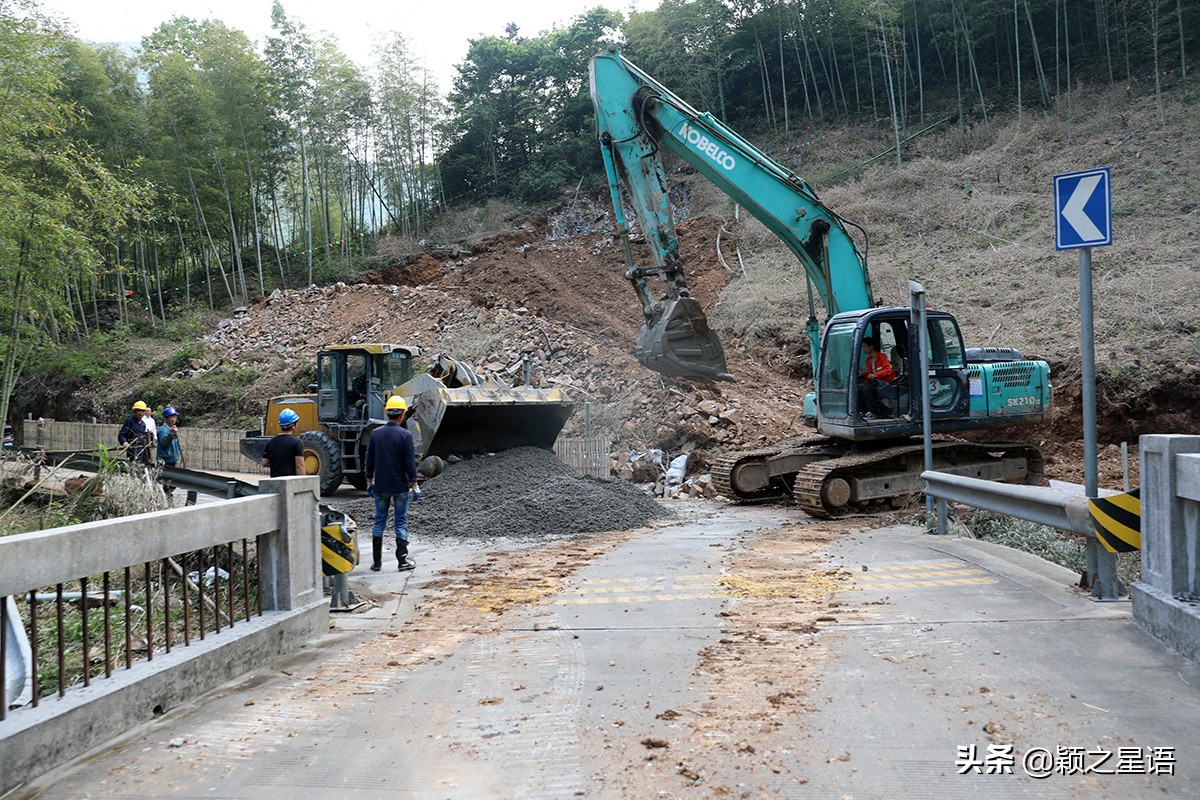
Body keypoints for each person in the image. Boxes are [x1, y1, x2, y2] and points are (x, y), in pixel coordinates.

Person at [365, 395, 419, 572]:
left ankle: (377, 563)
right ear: (402, 414)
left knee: (379, 523)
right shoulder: (405, 435)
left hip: (381, 487)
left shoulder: (375, 434)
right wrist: (414, 484)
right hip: (399, 487)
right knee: (400, 523)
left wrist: (369, 481)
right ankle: (402, 561)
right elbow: (410, 464)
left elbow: (369, 460)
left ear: (387, 412)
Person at [858, 336, 896, 419]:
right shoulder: (868, 360)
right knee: (858, 387)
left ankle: (872, 411)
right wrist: (863, 375)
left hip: (883, 382)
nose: (863, 349)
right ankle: (862, 410)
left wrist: (875, 375)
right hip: (875, 381)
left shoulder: (882, 357)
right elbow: (870, 373)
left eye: (864, 346)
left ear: (871, 347)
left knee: (866, 389)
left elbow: (888, 370)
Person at [263, 408, 305, 477]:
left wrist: (278, 465)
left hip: (275, 482)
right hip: (290, 483)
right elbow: (299, 466)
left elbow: (264, 463)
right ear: (293, 426)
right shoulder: (297, 442)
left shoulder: (271, 442)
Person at [118, 401, 154, 466]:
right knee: (133, 465)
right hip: (132, 449)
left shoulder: (143, 424)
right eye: (139, 411)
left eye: (143, 411)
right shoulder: (129, 421)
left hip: (141, 449)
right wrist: (124, 442)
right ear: (135, 411)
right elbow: (122, 435)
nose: (141, 413)